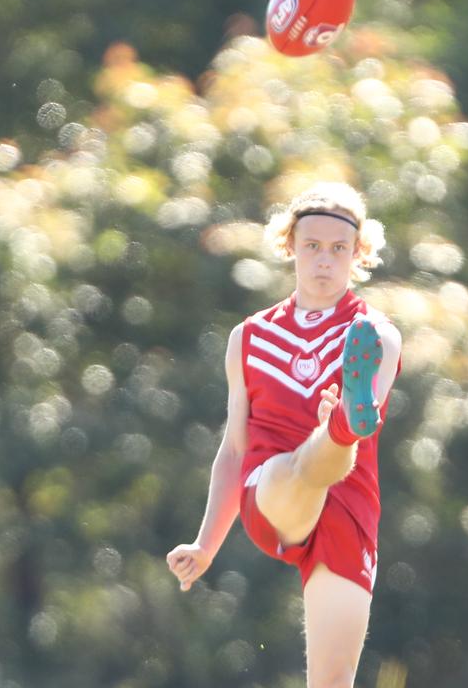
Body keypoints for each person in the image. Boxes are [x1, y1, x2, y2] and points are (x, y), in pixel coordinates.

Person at [167, 182, 402, 688]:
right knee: (299, 468)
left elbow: (377, 404)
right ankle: (339, 426)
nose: (324, 260)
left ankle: (342, 423)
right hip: (269, 492)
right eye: (312, 246)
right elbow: (234, 450)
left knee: (333, 682)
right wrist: (207, 544)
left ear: (358, 254)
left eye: (339, 249)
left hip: (349, 511)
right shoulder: (249, 337)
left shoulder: (375, 333)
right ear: (290, 246)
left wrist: (355, 416)